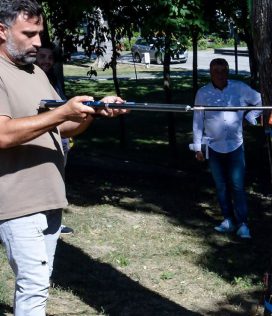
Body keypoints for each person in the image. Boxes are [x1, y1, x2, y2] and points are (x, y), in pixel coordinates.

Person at [0, 0, 127, 314]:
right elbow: (2, 134)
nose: (38, 42)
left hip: (50, 197)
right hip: (16, 203)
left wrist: (93, 112)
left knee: (39, 283)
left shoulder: (34, 72)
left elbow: (65, 127)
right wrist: (62, 112)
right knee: (34, 288)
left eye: (39, 33)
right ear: (1, 31)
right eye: (29, 33)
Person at [192, 58, 261, 239]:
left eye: (223, 71)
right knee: (221, 186)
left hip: (235, 145)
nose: (220, 75)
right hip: (214, 146)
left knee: (237, 186)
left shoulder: (239, 88)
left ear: (228, 72)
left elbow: (259, 100)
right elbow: (198, 120)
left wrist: (250, 117)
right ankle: (228, 219)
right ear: (210, 73)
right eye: (216, 71)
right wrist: (198, 147)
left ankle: (243, 223)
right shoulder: (203, 93)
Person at [36, 44, 76, 235]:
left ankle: (53, 223)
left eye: (50, 58)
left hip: (61, 137)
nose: (47, 61)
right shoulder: (31, 78)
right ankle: (41, 223)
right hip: (42, 137)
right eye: (42, 56)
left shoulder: (51, 78)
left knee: (57, 181)